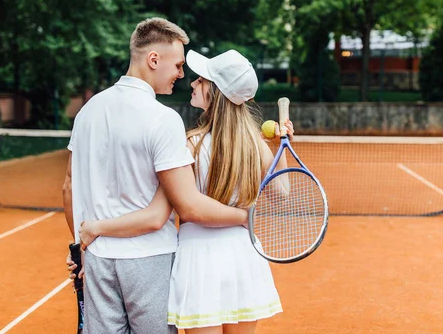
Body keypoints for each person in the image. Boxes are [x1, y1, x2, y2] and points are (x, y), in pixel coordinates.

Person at [75, 49, 292, 333]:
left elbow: (164, 211)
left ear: (214, 92)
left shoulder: (190, 145)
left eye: (200, 80)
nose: (191, 83)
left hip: (199, 259)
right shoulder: (257, 145)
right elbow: (283, 191)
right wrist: (282, 148)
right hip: (243, 255)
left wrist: (97, 227)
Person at [62, 18, 248, 334]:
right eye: (177, 65)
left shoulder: (87, 111)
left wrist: (83, 247)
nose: (180, 74)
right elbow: (176, 209)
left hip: (97, 258)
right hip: (150, 259)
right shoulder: (164, 120)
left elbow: (69, 187)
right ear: (153, 60)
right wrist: (248, 216)